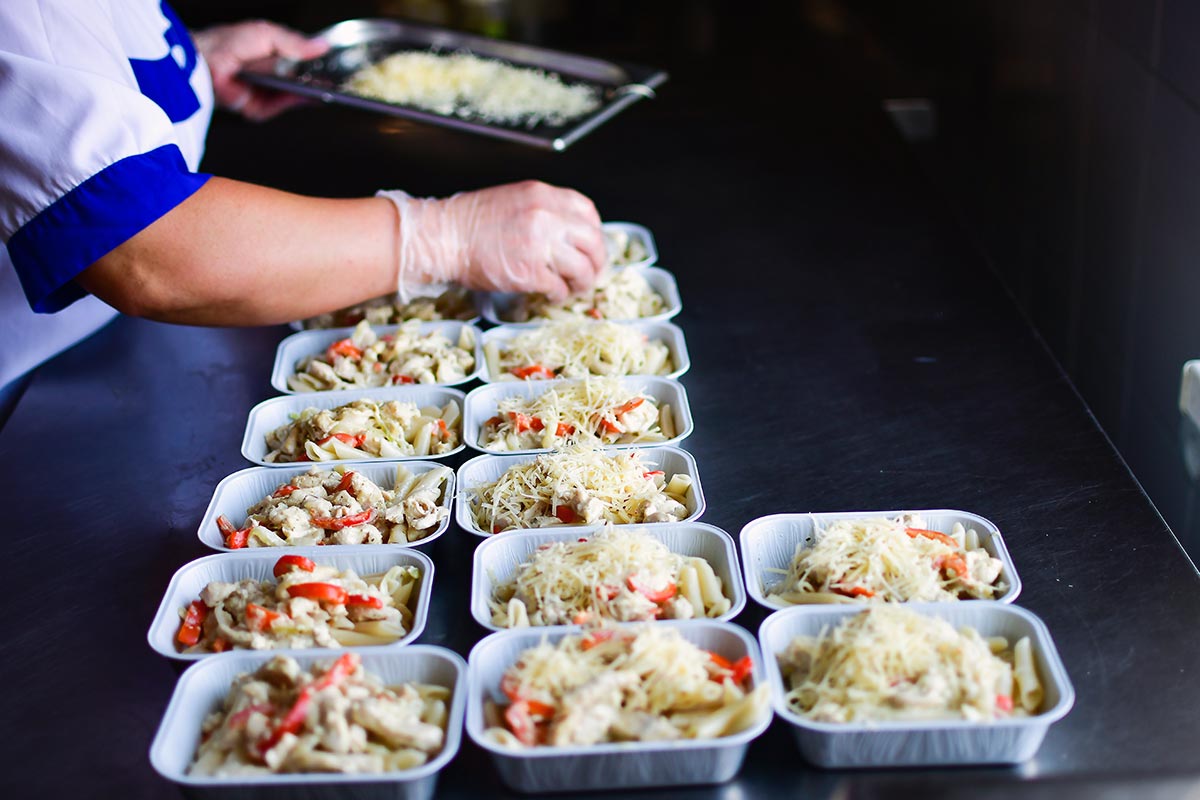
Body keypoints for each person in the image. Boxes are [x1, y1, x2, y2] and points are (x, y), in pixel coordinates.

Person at [0, 2, 605, 419]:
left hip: (98, 355)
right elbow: (147, 249)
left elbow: (64, 71)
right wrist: (445, 236)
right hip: (29, 397)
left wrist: (186, 67)